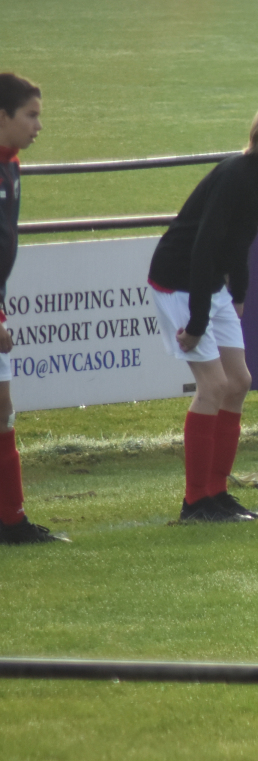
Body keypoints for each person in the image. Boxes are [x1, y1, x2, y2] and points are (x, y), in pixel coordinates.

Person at [149, 94, 258, 522]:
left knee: (238, 381)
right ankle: (195, 503)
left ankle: (218, 494)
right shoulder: (238, 175)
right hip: (180, 280)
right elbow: (204, 247)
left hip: (209, 284)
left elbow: (240, 238)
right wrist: (198, 322)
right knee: (213, 387)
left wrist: (237, 294)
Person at [0, 74, 66, 544]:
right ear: (2, 116)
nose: (38, 126)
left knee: (3, 410)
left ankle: (11, 520)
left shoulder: (12, 163)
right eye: (31, 115)